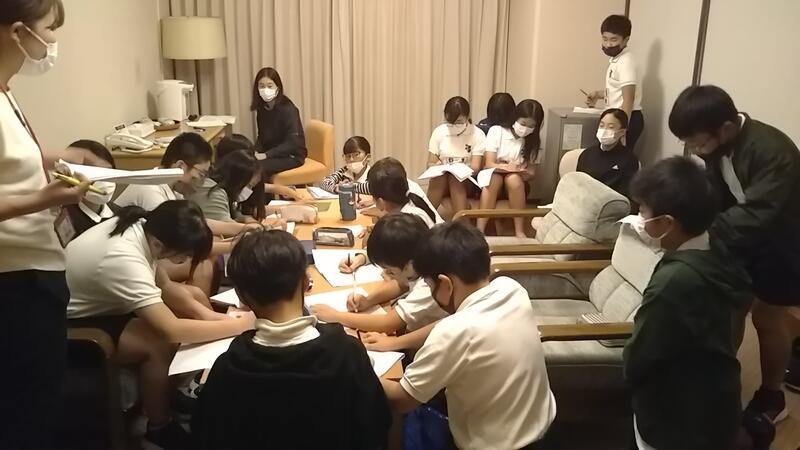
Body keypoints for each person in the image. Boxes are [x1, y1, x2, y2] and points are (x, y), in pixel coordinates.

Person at [0, 2, 120, 446]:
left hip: (40, 271)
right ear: (18, 32)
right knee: (26, 417)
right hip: (16, 285)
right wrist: (46, 198)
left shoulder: (6, 92)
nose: (53, 41)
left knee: (42, 405)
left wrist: (62, 158)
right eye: (50, 29)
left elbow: (12, 160)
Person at [66, 200, 254, 449]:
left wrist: (217, 318)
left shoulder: (144, 226)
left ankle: (182, 389)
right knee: (157, 342)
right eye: (184, 255)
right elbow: (170, 329)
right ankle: (158, 428)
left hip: (102, 301)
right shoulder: (123, 258)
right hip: (75, 322)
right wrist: (240, 326)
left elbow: (164, 286)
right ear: (160, 245)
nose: (185, 260)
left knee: (194, 295)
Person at [669, 85, 800, 423]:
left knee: (767, 319)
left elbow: (759, 211)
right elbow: (718, 196)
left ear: (726, 128)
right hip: (742, 239)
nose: (695, 150)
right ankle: (720, 380)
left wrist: (703, 235)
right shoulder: (717, 145)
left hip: (783, 243)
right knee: (729, 308)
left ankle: (772, 396)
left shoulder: (773, 151)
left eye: (698, 143)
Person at [191, 229, 391, 450]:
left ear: (241, 298)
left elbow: (205, 435)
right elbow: (376, 426)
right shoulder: (348, 354)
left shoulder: (227, 368)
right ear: (306, 282)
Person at [380, 221, 555, 450]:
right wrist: (395, 342)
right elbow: (457, 326)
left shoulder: (454, 333)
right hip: (543, 431)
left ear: (445, 283)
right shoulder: (512, 289)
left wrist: (361, 364)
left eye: (430, 286)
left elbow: (403, 400)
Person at [623, 156, 750, 449]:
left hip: (677, 417)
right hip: (714, 402)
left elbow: (641, 356)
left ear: (667, 223)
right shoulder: (716, 245)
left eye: (642, 210)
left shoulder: (675, 282)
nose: (639, 218)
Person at [309, 213, 447, 352]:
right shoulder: (419, 265)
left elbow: (388, 323)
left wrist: (336, 316)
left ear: (410, 265)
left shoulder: (429, 286)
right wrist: (368, 300)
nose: (387, 274)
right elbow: (402, 284)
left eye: (391, 271)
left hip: (427, 347)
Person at [339, 157, 443, 274]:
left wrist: (376, 236)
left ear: (380, 202)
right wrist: (361, 257)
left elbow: (396, 262)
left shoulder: (407, 223)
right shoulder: (408, 201)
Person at [477, 99, 544, 238]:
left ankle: (519, 230)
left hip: (516, 180)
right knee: (494, 180)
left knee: (514, 179)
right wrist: (506, 167)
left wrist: (522, 171)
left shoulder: (534, 141)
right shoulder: (497, 131)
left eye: (531, 126)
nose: (526, 129)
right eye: (523, 123)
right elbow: (489, 163)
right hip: (494, 174)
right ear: (515, 118)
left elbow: (532, 173)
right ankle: (480, 229)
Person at [585, 14, 644, 153]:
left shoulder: (626, 62)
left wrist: (622, 130)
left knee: (618, 160)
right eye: (605, 39)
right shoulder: (616, 59)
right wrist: (598, 94)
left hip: (626, 118)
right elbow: (618, 90)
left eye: (613, 40)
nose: (608, 44)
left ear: (626, 40)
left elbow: (628, 99)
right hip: (616, 118)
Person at [426, 96, 486, 214]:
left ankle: (462, 220)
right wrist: (436, 166)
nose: (454, 125)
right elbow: (430, 163)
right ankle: (426, 218)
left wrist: (459, 169)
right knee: (440, 177)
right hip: (443, 178)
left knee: (455, 179)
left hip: (466, 180)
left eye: (459, 122)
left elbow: (475, 167)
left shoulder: (477, 134)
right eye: (450, 122)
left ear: (467, 117)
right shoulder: (439, 132)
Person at [251, 66, 307, 181]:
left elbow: (293, 143)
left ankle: (264, 193)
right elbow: (262, 136)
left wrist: (266, 155)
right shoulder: (262, 109)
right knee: (245, 163)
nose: (265, 89)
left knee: (258, 168)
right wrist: (254, 151)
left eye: (270, 86)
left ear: (278, 88)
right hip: (272, 153)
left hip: (291, 155)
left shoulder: (288, 109)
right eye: (261, 86)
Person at [576, 108, 639, 202]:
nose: (604, 130)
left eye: (610, 127)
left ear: (622, 132)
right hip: (583, 202)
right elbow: (577, 184)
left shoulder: (629, 160)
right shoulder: (587, 154)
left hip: (612, 205)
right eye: (601, 125)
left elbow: (626, 195)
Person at [61, 139, 119, 239]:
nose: (103, 180)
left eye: (107, 171)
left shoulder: (120, 214)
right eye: (94, 173)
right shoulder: (65, 221)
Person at [189, 149, 261, 224]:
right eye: (249, 185)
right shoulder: (215, 194)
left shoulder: (223, 191)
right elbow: (226, 226)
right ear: (237, 180)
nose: (249, 191)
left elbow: (233, 212)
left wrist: (244, 218)